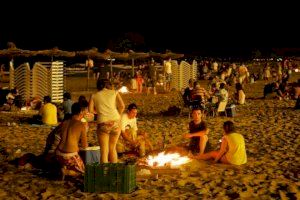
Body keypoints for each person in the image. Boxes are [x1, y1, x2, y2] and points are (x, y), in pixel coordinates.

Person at [89, 79, 125, 163]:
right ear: (108, 85)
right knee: (113, 148)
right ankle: (114, 171)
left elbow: (90, 110)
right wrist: (118, 115)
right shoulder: (114, 92)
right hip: (115, 121)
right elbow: (122, 106)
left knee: (104, 151)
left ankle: (104, 173)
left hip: (103, 123)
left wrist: (99, 112)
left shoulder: (94, 95)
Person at [56, 102, 89, 176]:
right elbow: (84, 146)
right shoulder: (81, 125)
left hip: (58, 154)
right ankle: (67, 172)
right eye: (84, 111)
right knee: (83, 172)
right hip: (69, 155)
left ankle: (64, 167)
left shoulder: (64, 122)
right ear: (81, 112)